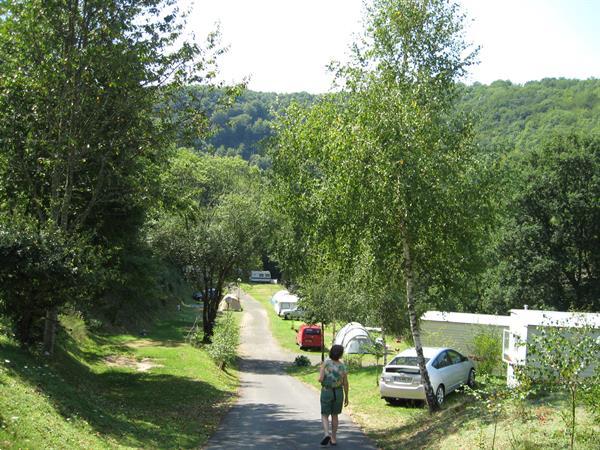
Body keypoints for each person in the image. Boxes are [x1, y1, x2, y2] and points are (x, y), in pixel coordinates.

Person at [318, 344, 349, 446]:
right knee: (335, 415)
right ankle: (334, 438)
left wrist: (320, 373)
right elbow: (345, 383)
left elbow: (320, 379)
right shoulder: (343, 366)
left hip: (327, 391)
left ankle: (326, 433)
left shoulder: (325, 363)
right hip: (338, 393)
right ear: (340, 354)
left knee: (325, 414)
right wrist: (347, 396)